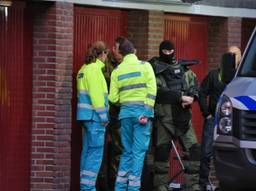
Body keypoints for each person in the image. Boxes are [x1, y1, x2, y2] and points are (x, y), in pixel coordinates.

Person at [109, 39, 157, 191]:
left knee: (126, 152)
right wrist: (147, 112)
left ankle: (120, 187)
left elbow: (113, 98)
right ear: (134, 51)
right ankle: (133, 188)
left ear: (121, 53)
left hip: (125, 115)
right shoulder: (145, 66)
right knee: (138, 153)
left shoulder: (117, 71)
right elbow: (152, 90)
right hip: (141, 115)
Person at [148, 40, 195, 191]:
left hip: (183, 118)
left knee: (194, 151)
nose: (168, 54)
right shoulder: (154, 69)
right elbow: (158, 92)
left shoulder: (183, 69)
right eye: (165, 52)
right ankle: (161, 186)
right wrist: (179, 97)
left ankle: (192, 185)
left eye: (170, 52)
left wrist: (191, 97)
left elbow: (194, 87)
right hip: (164, 119)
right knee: (161, 154)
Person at [198, 46, 241, 191]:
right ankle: (202, 185)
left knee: (232, 154)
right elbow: (201, 92)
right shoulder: (214, 75)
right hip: (213, 120)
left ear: (241, 57)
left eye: (235, 55)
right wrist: (206, 113)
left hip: (234, 122)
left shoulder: (241, 78)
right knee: (205, 153)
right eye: (230, 54)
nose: (233, 57)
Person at [76, 41, 109, 191]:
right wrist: (103, 117)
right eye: (106, 54)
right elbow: (97, 97)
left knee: (87, 152)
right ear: (102, 54)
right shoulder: (95, 70)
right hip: (95, 119)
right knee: (95, 155)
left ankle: (85, 186)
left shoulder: (83, 69)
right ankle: (88, 188)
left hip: (86, 118)